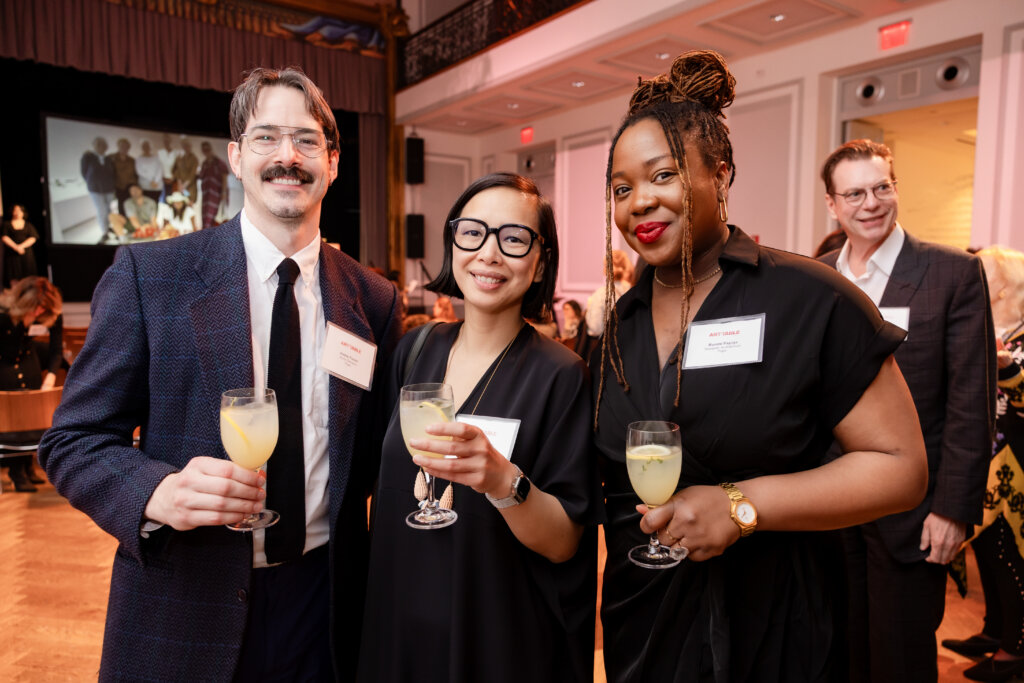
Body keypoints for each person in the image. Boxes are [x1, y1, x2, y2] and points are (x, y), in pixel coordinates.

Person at [38, 66, 402, 681]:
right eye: (265, 138)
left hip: (325, 607)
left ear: (333, 162)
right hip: (184, 605)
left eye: (307, 140)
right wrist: (157, 493)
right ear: (235, 157)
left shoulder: (373, 299)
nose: (288, 156)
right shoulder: (149, 278)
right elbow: (72, 441)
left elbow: (372, 459)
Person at [592, 50, 928, 682]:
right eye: (621, 188)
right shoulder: (620, 323)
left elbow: (901, 469)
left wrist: (743, 506)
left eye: (662, 175)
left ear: (720, 176)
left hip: (776, 626)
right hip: (645, 624)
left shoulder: (808, 298)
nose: (639, 201)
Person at [359, 173, 601, 683]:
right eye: (473, 232)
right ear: (453, 243)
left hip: (493, 638)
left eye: (513, 239)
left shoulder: (561, 375)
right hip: (398, 624)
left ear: (539, 263)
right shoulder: (414, 350)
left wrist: (501, 482)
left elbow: (564, 542)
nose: (489, 253)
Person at [818, 139, 995, 683]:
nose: (871, 203)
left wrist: (954, 509)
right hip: (828, 499)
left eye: (881, 188)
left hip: (914, 508)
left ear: (895, 189)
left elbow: (971, 402)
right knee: (835, 645)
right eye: (855, 193)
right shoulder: (817, 275)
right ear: (832, 204)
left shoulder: (952, 274)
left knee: (899, 654)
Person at [942, 245, 1024, 682]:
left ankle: (1016, 650)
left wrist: (1008, 367)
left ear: (1006, 283)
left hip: (1018, 470)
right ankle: (996, 631)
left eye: (984, 274)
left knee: (1011, 559)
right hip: (991, 463)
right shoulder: (1001, 327)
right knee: (991, 556)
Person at [0, 277, 62, 492]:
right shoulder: (4, 315)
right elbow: (7, 350)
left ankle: (28, 468)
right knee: (15, 416)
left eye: (43, 308)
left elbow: (56, 350)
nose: (38, 313)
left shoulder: (50, 314)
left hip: (29, 363)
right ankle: (16, 472)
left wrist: (51, 376)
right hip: (5, 366)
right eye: (36, 307)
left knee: (32, 415)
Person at [584, 248, 634, 337]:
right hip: (630, 343)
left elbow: (595, 328)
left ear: (606, 269)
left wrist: (589, 308)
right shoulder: (633, 290)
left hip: (610, 346)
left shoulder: (602, 294)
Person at [80, 136, 116, 243]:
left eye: (103, 145)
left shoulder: (109, 158)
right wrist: (93, 183)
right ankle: (104, 232)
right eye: (98, 144)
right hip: (95, 189)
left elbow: (113, 173)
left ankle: (109, 227)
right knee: (102, 210)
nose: (101, 147)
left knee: (109, 210)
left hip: (109, 189)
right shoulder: (88, 157)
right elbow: (84, 173)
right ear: (94, 146)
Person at [1, 204, 39, 286]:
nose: (17, 212)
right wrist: (16, 247)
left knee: (28, 275)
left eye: (19, 210)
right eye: (15, 210)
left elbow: (33, 237)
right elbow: (4, 237)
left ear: (23, 213)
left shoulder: (28, 225)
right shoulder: (7, 224)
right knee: (13, 274)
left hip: (26, 253)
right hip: (12, 254)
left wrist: (21, 246)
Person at [198, 141, 230, 229]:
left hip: (216, 194)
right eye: (204, 150)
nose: (206, 151)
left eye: (207, 149)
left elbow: (224, 176)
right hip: (206, 195)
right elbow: (201, 176)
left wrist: (223, 192)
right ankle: (205, 239)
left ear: (211, 149)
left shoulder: (218, 162)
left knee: (214, 218)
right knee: (205, 218)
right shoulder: (204, 163)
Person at [109, 138, 138, 216]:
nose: (124, 148)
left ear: (128, 148)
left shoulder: (132, 160)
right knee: (121, 206)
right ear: (118, 146)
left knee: (131, 205)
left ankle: (132, 221)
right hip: (119, 187)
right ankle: (124, 223)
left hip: (131, 187)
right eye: (122, 146)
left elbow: (136, 174)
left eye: (126, 146)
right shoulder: (112, 158)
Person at [172, 137, 199, 203]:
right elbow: (175, 170)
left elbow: (192, 174)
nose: (186, 147)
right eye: (184, 145)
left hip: (190, 187)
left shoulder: (194, 158)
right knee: (180, 203)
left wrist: (184, 186)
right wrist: (180, 183)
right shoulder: (180, 158)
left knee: (189, 202)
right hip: (180, 186)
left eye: (187, 145)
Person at [158, 133, 181, 197]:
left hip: (174, 180)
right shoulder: (160, 152)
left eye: (168, 140)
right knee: (164, 199)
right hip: (162, 180)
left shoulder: (176, 152)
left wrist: (173, 178)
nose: (166, 142)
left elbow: (178, 167)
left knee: (174, 197)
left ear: (170, 141)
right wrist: (163, 178)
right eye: (165, 140)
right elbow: (158, 167)